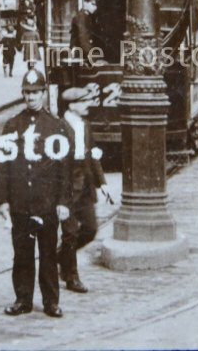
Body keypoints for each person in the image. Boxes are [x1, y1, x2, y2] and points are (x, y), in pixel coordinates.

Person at [0, 68, 72, 318]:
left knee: (48, 255)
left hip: (46, 204)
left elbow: (64, 170)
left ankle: (51, 302)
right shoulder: (12, 125)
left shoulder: (57, 126)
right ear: (23, 94)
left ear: (44, 94)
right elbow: (4, 166)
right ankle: (23, 299)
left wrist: (63, 202)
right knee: (22, 255)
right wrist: (3, 200)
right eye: (27, 93)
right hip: (21, 203)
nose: (31, 98)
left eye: (36, 93)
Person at [58, 87, 109, 294]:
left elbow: (92, 155)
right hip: (66, 191)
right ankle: (71, 277)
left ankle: (59, 258)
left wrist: (102, 183)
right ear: (72, 105)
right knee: (69, 234)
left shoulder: (85, 125)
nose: (89, 104)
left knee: (90, 229)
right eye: (85, 101)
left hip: (86, 188)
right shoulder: (58, 127)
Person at [70, 0, 101, 64]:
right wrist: (93, 59)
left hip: (83, 53)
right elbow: (84, 39)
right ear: (85, 3)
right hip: (80, 54)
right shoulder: (82, 17)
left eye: (96, 5)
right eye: (92, 4)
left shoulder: (87, 16)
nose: (95, 7)